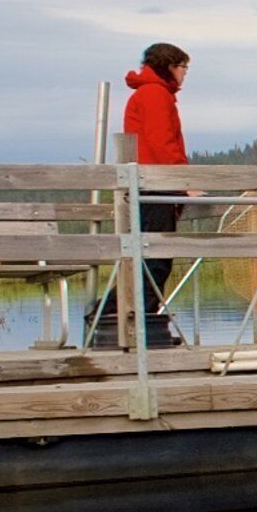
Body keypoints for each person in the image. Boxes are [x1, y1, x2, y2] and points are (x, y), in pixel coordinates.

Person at [90, 42, 191, 349]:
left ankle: (118, 323)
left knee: (148, 259)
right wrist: (182, 182)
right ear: (171, 65)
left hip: (150, 183)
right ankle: (120, 322)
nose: (186, 73)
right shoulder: (155, 94)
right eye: (184, 67)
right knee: (154, 260)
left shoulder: (150, 92)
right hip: (154, 184)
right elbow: (162, 143)